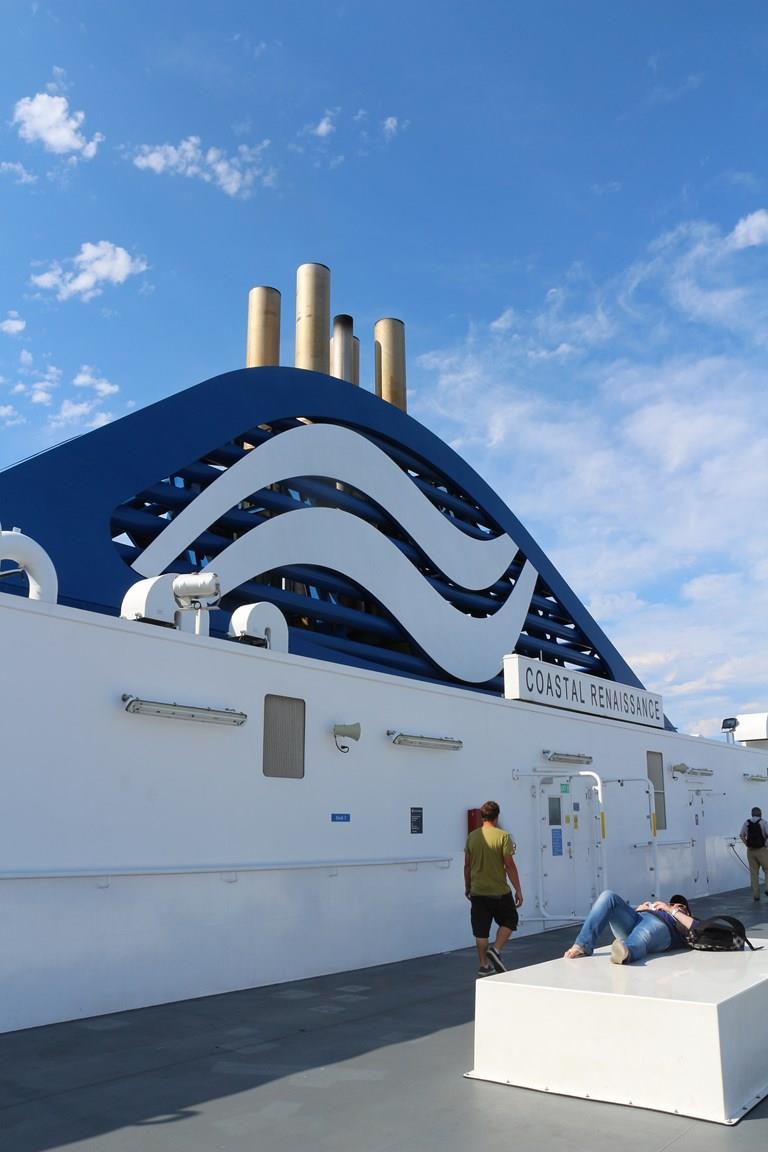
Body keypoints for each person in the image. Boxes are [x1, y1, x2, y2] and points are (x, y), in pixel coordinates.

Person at [464, 800, 523, 976]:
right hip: (499, 892)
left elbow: (467, 866)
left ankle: (484, 966)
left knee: (481, 931)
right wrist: (518, 889)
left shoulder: (472, 837)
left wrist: (468, 886)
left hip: (477, 891)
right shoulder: (503, 836)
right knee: (510, 920)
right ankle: (495, 950)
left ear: (482, 816)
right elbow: (509, 865)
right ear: (497, 817)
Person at [563, 890, 698, 964]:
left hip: (660, 925)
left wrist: (670, 910)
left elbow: (697, 927)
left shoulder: (683, 918)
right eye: (672, 903)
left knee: (643, 934)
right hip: (638, 919)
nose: (675, 905)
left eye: (680, 905)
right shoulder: (657, 909)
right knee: (608, 896)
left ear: (687, 912)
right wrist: (639, 910)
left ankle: (626, 951)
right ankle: (583, 945)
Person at [740, 806, 768, 901]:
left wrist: (747, 844)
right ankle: (767, 889)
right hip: (762, 850)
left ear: (752, 814)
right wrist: (766, 845)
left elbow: (741, 835)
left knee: (754, 873)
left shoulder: (747, 822)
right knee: (767, 870)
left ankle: (756, 895)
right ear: (760, 814)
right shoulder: (764, 822)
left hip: (750, 851)